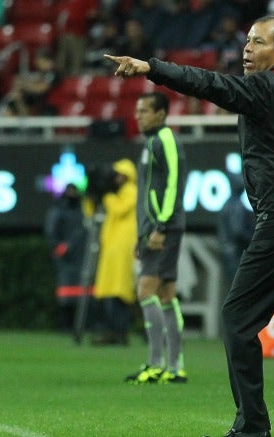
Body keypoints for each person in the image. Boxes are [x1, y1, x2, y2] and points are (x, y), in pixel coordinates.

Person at [105, 14, 274, 436]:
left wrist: (153, 67)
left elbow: (211, 85)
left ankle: (252, 427)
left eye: (258, 42)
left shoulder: (269, 88)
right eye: (246, 40)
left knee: (237, 318)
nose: (246, 48)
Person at [121, 91, 188, 384]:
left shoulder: (166, 140)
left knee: (146, 291)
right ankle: (174, 366)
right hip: (154, 228)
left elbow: (174, 183)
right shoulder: (150, 142)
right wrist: (143, 232)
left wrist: (161, 226)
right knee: (165, 294)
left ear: (161, 114)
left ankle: (157, 362)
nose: (138, 116)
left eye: (144, 111)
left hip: (164, 228)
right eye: (137, 111)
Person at [91, 159, 138, 346]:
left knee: (120, 292)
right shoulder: (117, 194)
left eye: (119, 175)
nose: (115, 179)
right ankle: (111, 332)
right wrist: (94, 196)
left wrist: (106, 196)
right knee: (110, 291)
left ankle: (119, 332)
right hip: (112, 247)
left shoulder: (131, 191)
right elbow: (91, 212)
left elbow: (119, 209)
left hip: (122, 248)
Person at [44, 183, 87, 332]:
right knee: (65, 293)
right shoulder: (58, 211)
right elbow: (51, 233)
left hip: (81, 257)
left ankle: (81, 325)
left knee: (82, 293)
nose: (72, 194)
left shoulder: (83, 211)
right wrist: (59, 247)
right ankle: (64, 325)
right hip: (65, 259)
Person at [217, 173, 255, 286]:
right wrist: (253, 240)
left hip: (228, 251)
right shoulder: (236, 206)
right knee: (239, 286)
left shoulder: (227, 204)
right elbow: (237, 231)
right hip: (236, 252)